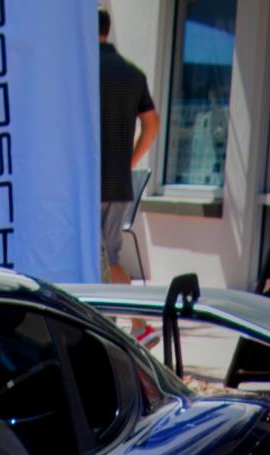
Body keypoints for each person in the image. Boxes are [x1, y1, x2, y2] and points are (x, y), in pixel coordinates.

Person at [98, 9, 157, 283]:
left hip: (88, 183)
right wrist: (129, 163)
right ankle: (125, 305)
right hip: (119, 184)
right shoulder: (133, 74)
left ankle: (132, 309)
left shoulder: (81, 71)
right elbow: (152, 124)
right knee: (109, 257)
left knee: (92, 257)